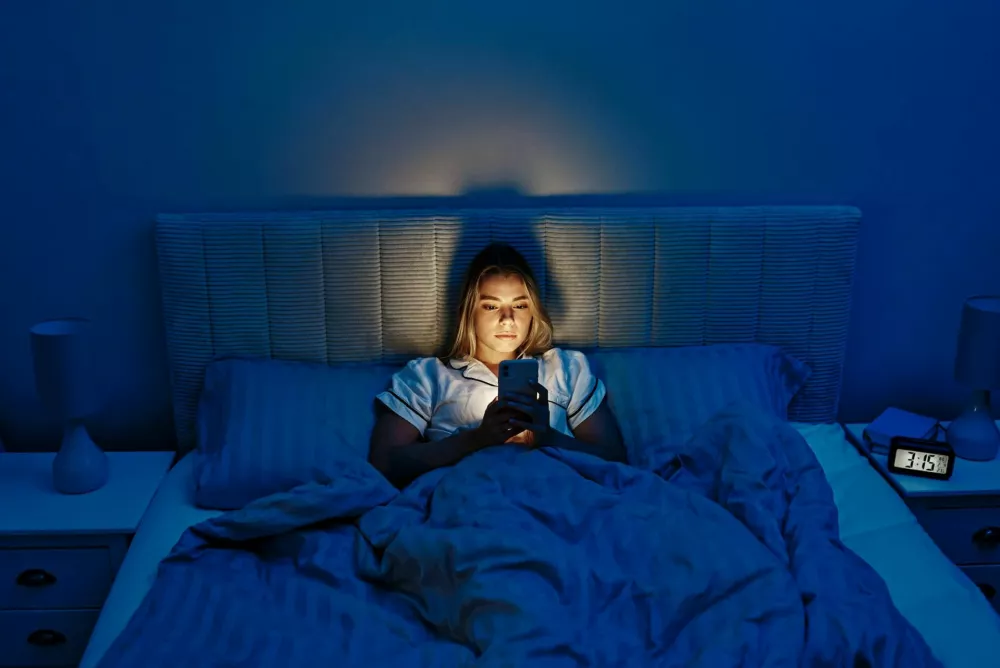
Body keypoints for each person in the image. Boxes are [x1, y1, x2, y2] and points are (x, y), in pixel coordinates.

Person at [369, 242, 626, 488]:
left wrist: (548, 438)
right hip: (473, 498)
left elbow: (615, 460)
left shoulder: (566, 370)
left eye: (519, 305)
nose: (507, 319)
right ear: (469, 311)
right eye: (491, 306)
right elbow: (384, 463)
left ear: (533, 311)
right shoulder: (428, 377)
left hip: (554, 492)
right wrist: (476, 440)